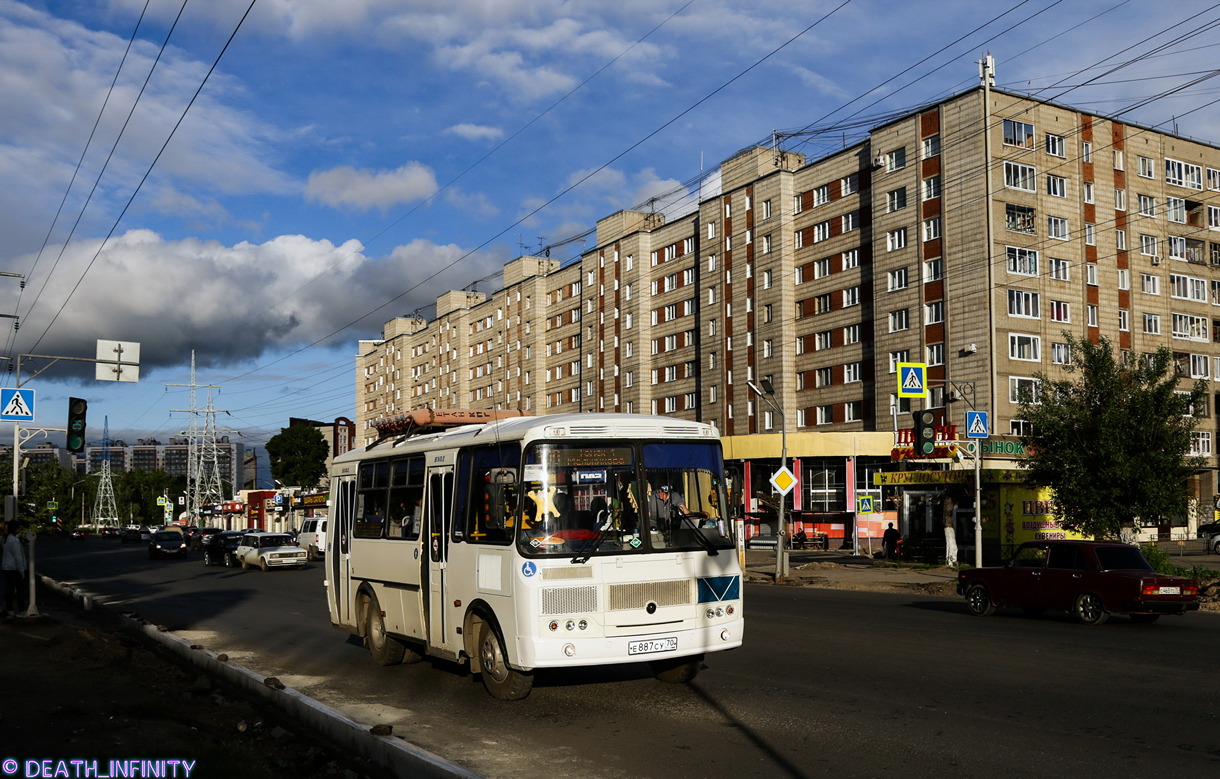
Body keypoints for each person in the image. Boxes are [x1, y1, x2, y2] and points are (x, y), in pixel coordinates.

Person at [3, 520, 28, 617]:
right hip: (14, 569)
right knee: (20, 590)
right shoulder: (15, 540)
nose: (20, 529)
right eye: (18, 527)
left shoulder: (6, 539)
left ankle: (10, 609)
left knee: (9, 590)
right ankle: (21, 609)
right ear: (15, 529)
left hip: (7, 568)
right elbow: (18, 557)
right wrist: (22, 571)